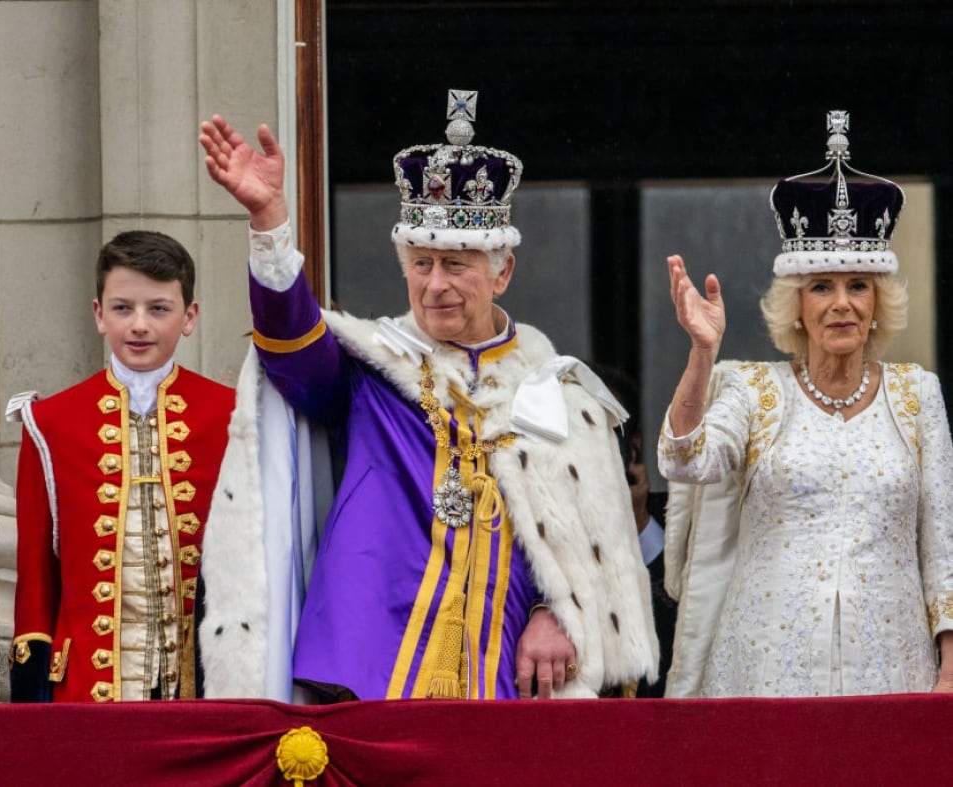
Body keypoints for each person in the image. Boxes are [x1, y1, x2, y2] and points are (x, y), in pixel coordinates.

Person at [198, 89, 657, 701]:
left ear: (503, 271)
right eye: (420, 264)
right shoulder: (372, 370)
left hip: (508, 672)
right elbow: (291, 349)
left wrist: (560, 612)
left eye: (456, 263)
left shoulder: (562, 395)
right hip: (371, 668)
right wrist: (269, 224)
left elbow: (590, 548)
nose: (435, 284)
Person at [658, 110, 953, 697]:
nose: (841, 303)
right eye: (822, 286)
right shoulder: (753, 389)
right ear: (797, 303)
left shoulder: (918, 395)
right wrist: (702, 351)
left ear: (877, 303)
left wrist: (950, 669)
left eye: (857, 285)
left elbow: (942, 545)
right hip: (764, 670)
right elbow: (683, 461)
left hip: (891, 669)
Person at [8, 230, 235, 702]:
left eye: (158, 308)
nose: (139, 325)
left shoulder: (231, 414)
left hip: (204, 688)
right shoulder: (49, 423)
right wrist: (31, 704)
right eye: (122, 308)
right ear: (98, 314)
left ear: (189, 317)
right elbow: (35, 580)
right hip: (85, 694)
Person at [592, 364, 678, 698]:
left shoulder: (681, 521)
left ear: (634, 446)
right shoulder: (525, 526)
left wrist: (638, 522)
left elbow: (685, 622)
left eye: (604, 435)